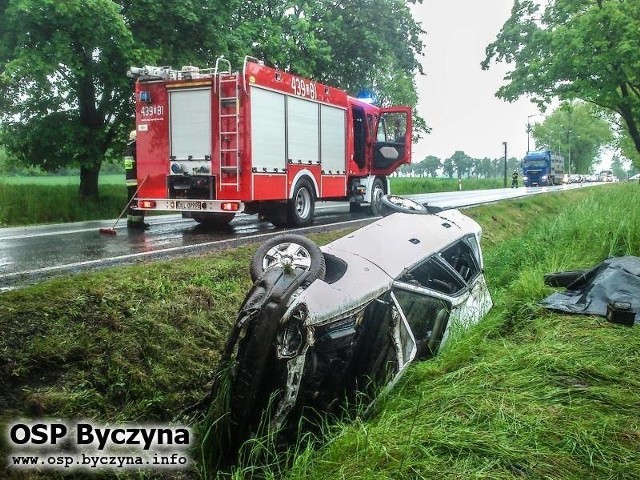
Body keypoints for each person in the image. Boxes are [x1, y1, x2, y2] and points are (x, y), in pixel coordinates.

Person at [124, 129, 149, 229]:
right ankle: (138, 223)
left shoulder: (128, 150)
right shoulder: (135, 150)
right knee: (138, 201)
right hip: (136, 180)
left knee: (131, 201)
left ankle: (130, 221)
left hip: (129, 180)